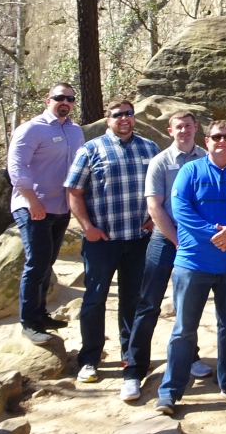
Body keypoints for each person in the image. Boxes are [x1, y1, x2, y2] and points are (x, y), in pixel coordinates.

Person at [154, 121, 226, 416]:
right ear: (208, 139)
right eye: (217, 137)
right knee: (183, 330)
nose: (222, 142)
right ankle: (170, 392)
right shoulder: (190, 170)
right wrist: (212, 233)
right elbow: (180, 208)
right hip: (193, 263)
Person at [65, 99, 161, 384]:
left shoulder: (150, 148)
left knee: (133, 299)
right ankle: (90, 358)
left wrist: (154, 220)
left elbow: (161, 189)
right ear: (108, 120)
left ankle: (129, 355)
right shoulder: (91, 150)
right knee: (95, 299)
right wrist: (87, 227)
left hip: (139, 239)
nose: (124, 119)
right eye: (117, 115)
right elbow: (73, 191)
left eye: (129, 114)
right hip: (102, 240)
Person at [121, 110, 210, 401]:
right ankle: (133, 370)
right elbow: (154, 206)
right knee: (149, 303)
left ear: (196, 128)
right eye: (178, 127)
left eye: (188, 126)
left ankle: (190, 357)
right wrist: (176, 239)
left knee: (189, 303)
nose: (183, 131)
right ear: (170, 131)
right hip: (166, 236)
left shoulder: (206, 158)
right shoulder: (161, 162)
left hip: (196, 239)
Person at [8, 83, 86, 345]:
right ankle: (28, 322)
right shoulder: (31, 129)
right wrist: (31, 201)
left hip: (60, 208)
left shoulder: (75, 131)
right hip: (33, 207)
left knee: (47, 263)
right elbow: (16, 167)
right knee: (37, 263)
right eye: (60, 98)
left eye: (70, 99)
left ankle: (41, 314)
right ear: (48, 99)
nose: (65, 102)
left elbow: (80, 167)